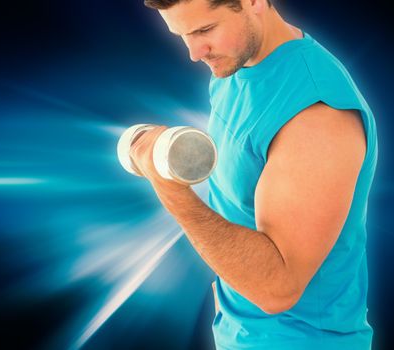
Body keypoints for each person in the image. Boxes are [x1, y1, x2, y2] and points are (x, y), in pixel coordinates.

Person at [130, 0, 378, 348]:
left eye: (204, 30)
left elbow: (278, 289)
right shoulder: (234, 69)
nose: (194, 53)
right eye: (183, 35)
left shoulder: (317, 115)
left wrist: (169, 187)